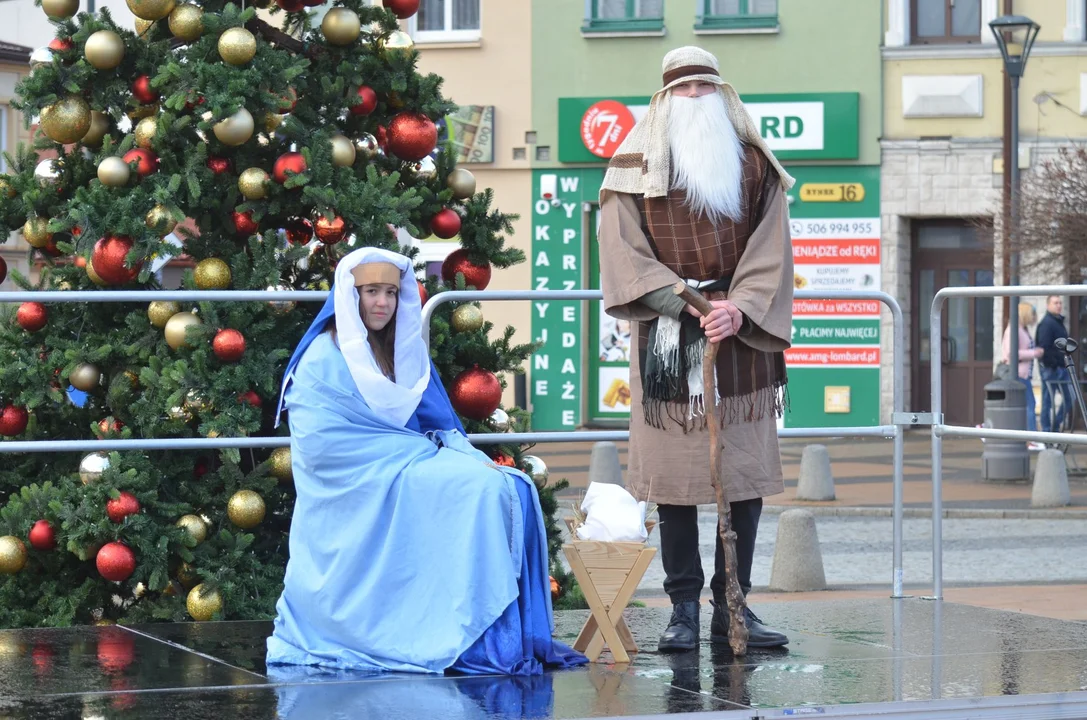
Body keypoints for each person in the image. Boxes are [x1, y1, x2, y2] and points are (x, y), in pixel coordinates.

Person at [266, 246, 585, 675]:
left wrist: (459, 456)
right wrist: (408, 456)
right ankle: (465, 637)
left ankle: (491, 638)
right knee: (478, 491)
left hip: (410, 462)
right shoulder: (323, 357)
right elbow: (324, 449)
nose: (382, 303)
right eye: (371, 292)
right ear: (351, 296)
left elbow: (438, 420)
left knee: (507, 485)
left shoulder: (404, 351)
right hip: (358, 483)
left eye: (390, 294)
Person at [596, 46, 793, 651]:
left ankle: (734, 606)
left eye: (705, 87)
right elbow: (622, 250)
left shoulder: (756, 165)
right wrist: (685, 303)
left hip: (743, 339)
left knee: (743, 475)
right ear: (664, 99)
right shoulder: (633, 166)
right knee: (676, 479)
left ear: (722, 94)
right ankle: (684, 607)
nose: (695, 98)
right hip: (669, 332)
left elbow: (773, 249)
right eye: (684, 90)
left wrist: (739, 309)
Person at [1002, 302, 1044, 447]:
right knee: (1029, 405)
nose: (1033, 318)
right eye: (1032, 314)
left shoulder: (1021, 329)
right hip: (1019, 374)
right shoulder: (1014, 330)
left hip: (1023, 374)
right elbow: (1010, 353)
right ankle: (1030, 439)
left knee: (1027, 405)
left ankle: (1029, 438)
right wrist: (1034, 353)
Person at [1035, 295, 1072, 435]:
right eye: (1055, 303)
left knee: (1069, 399)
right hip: (1052, 369)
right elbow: (1044, 348)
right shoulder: (1046, 324)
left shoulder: (1057, 322)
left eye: (1060, 302)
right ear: (1048, 305)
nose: (1059, 305)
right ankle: (1046, 430)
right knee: (1047, 401)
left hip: (1061, 367)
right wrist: (1054, 363)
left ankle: (1055, 426)